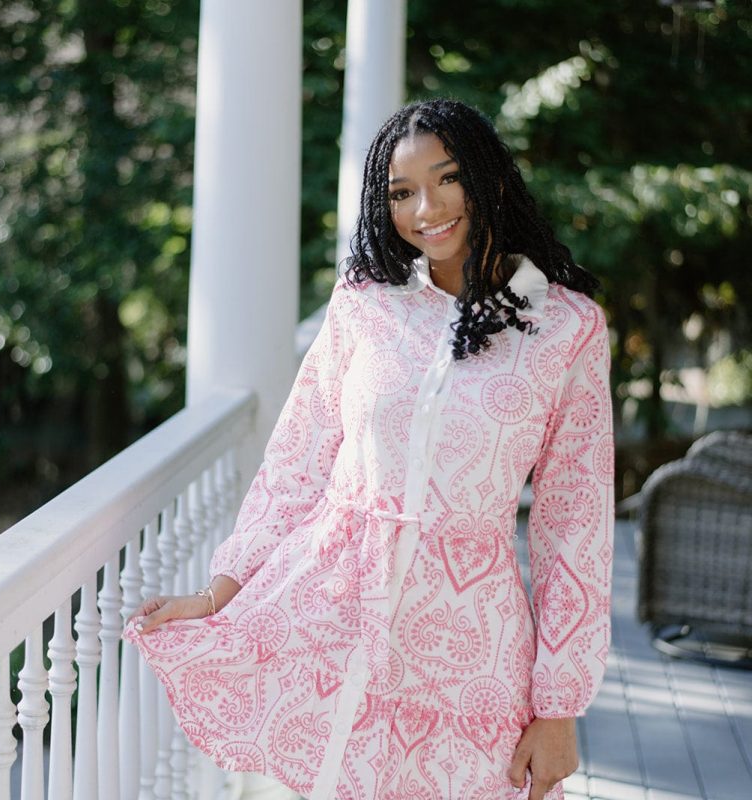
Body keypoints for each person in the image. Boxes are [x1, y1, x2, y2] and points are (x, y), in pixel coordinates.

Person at [124, 98, 614, 800]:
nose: (427, 208)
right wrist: (218, 592)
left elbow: (576, 526)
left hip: (469, 644)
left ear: (490, 178)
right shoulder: (365, 304)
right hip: (333, 613)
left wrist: (561, 704)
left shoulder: (566, 328)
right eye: (401, 192)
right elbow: (296, 461)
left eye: (447, 179)